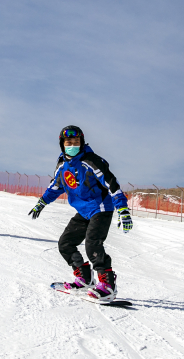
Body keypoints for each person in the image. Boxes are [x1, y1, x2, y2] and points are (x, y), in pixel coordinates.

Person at [28, 126, 133, 303]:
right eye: (69, 142)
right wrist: (42, 202)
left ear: (82, 143)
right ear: (62, 144)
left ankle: (107, 286)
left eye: (76, 142)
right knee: (65, 243)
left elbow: (111, 184)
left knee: (93, 245)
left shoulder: (91, 161)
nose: (72, 145)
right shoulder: (62, 164)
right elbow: (56, 186)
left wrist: (122, 208)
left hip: (100, 208)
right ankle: (85, 279)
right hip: (83, 211)